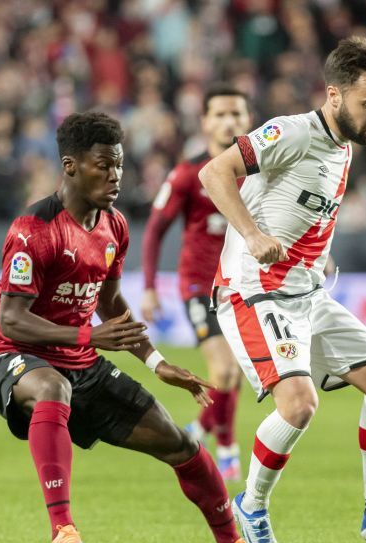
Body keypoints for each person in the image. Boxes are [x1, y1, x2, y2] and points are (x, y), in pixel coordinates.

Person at [0, 111, 247, 543]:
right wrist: (88, 334)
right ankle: (64, 531)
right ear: (70, 166)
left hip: (83, 360)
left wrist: (155, 360)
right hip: (17, 358)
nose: (115, 175)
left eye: (119, 165)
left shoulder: (114, 226)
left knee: (178, 443)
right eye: (103, 165)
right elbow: (12, 321)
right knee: (51, 388)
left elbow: (109, 301)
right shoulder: (33, 230)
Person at [199, 37, 366, 543]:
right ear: (334, 96)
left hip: (307, 291)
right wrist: (250, 234)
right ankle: (252, 505)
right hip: (255, 291)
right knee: (299, 405)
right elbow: (213, 174)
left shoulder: (343, 148)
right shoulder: (290, 132)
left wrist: (316, 257)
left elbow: (302, 209)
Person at [140, 84, 252, 481]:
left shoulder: (260, 172)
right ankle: (227, 451)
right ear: (205, 122)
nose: (229, 122)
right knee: (223, 371)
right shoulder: (188, 173)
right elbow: (154, 230)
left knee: (235, 373)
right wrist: (150, 286)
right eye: (220, 114)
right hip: (200, 286)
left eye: (236, 114)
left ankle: (199, 428)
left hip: (244, 286)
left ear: (248, 120)